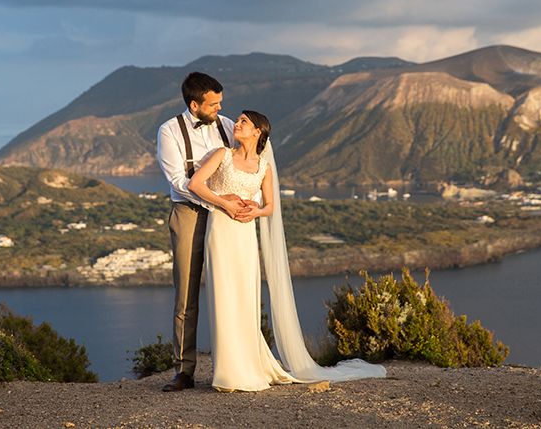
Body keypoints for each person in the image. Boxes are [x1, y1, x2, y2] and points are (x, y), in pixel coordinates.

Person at [188, 110, 386, 391]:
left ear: (257, 132)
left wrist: (255, 211)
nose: (238, 124)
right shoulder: (222, 155)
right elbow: (195, 184)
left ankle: (247, 367)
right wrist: (224, 202)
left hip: (245, 234)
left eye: (244, 121)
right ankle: (228, 374)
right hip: (220, 230)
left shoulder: (264, 167)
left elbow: (270, 207)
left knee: (245, 298)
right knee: (223, 296)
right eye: (239, 120)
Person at [156, 72, 255, 392]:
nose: (220, 108)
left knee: (234, 289)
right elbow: (179, 183)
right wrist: (220, 201)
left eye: (221, 102)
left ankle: (239, 364)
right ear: (194, 104)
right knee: (186, 293)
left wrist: (241, 204)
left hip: (227, 220)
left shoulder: (228, 125)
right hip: (190, 215)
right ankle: (184, 370)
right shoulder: (169, 131)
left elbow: (249, 162)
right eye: (213, 104)